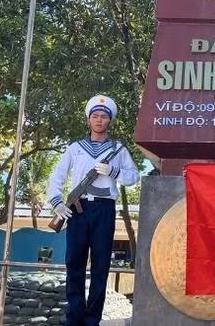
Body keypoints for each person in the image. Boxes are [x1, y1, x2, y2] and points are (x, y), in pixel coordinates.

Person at [46, 94, 140, 326]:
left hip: (104, 210)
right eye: (95, 116)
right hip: (78, 209)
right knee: (74, 263)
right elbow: (56, 177)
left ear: (110, 121)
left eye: (103, 117)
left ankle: (92, 320)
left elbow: (133, 177)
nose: (99, 120)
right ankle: (74, 317)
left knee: (101, 265)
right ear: (88, 120)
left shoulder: (118, 149)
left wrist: (113, 172)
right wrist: (57, 202)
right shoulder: (75, 148)